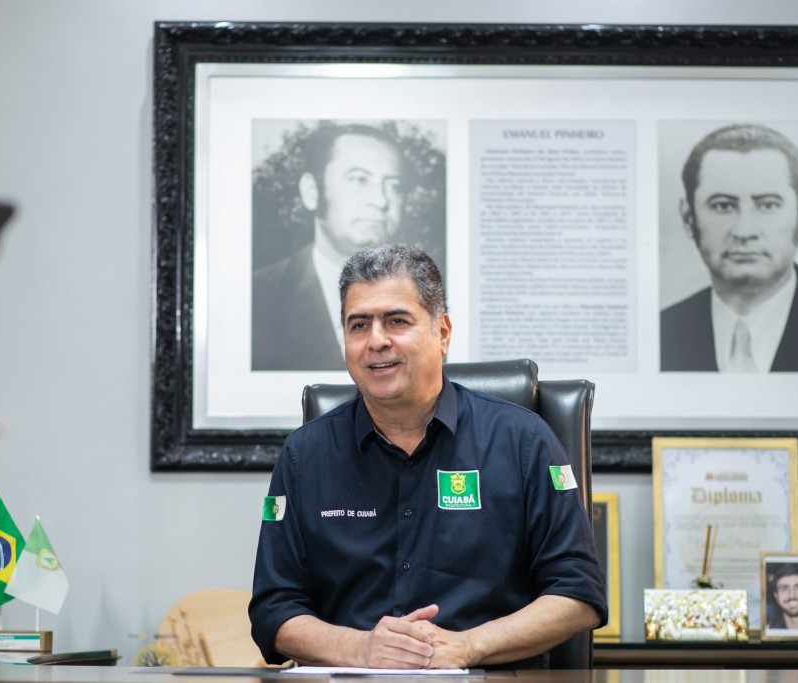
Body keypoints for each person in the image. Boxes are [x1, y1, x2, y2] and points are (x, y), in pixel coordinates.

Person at [249, 244, 606, 669]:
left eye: (396, 321)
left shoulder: (524, 441)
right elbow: (272, 608)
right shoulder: (304, 455)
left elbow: (578, 594)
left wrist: (467, 647)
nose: (376, 341)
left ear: (443, 333)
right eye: (359, 325)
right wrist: (361, 649)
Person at [661, 123, 798, 373]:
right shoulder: (663, 330)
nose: (744, 231)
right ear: (688, 218)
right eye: (723, 206)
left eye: (768, 205)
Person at [252, 123, 410, 371]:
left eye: (394, 186)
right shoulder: (257, 298)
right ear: (312, 192)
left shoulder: (426, 297)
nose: (381, 200)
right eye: (359, 180)